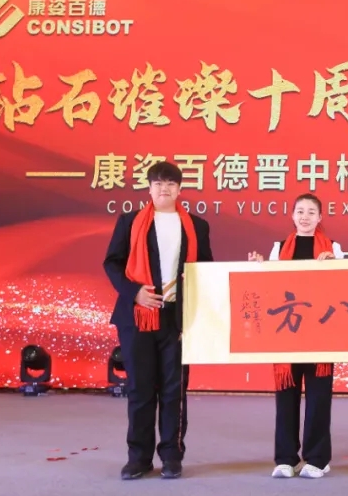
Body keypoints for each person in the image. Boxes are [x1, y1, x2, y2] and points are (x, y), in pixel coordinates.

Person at [102, 161, 213, 480]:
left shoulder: (197, 226)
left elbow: (206, 268)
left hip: (177, 319)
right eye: (158, 184)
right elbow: (112, 263)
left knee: (174, 390)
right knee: (139, 389)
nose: (164, 189)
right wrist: (135, 293)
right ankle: (138, 458)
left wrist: (195, 297)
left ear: (179, 189)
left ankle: (171, 456)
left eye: (171, 184)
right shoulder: (130, 221)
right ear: (149, 188)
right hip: (137, 317)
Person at [248, 193, 344, 479]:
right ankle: (286, 459)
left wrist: (334, 267)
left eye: (311, 212)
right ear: (292, 215)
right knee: (286, 398)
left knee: (318, 399)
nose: (305, 217)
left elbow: (344, 288)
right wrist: (259, 266)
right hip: (287, 332)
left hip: (319, 334)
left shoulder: (333, 249)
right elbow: (269, 287)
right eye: (300, 211)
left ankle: (317, 459)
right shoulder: (279, 248)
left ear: (320, 217)